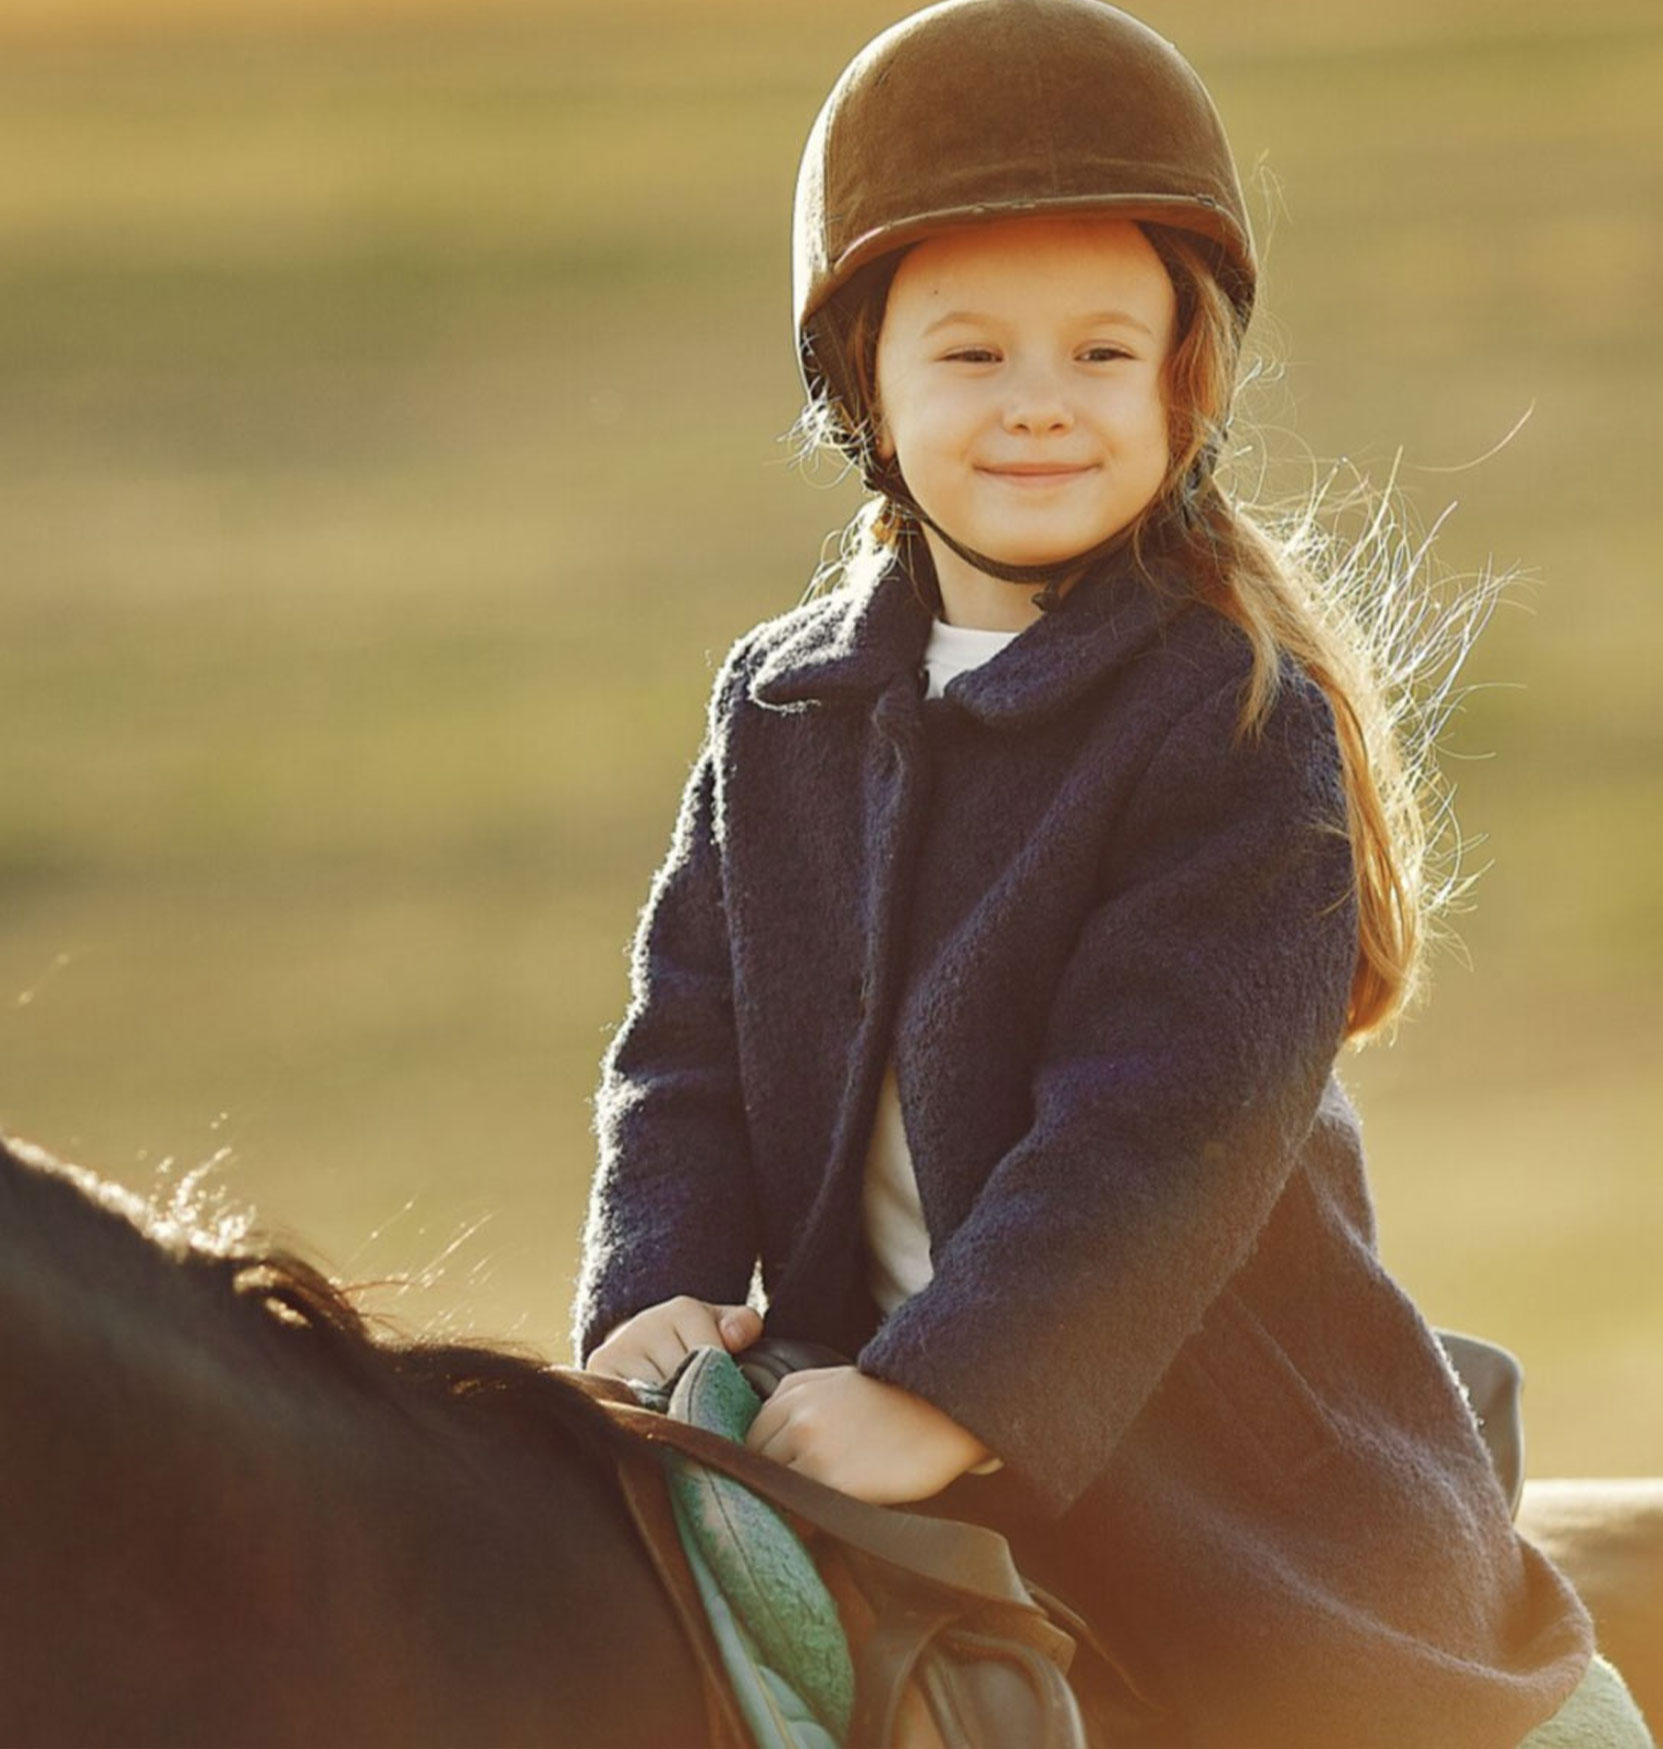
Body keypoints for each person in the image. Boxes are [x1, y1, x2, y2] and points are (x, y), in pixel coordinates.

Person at [572, 3, 1616, 1744]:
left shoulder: (1228, 723)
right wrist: (650, 1287)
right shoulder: (785, 701)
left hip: (1226, 1489)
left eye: (1101, 358)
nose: (1040, 408)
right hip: (845, 1418)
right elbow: (684, 1043)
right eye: (973, 358)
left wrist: (943, 1398)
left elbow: (1152, 1140)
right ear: (864, 389)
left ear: (1181, 380)